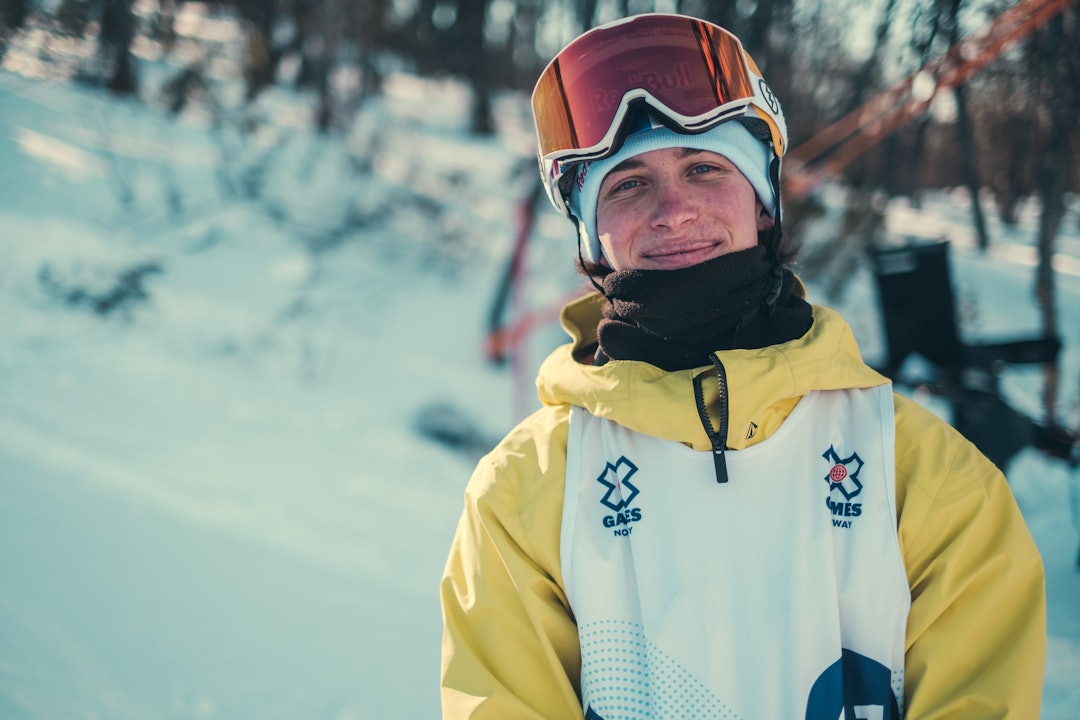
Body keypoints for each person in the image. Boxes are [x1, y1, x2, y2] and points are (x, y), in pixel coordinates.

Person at [440, 13, 1046, 719]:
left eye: (704, 168)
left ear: (764, 204)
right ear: (592, 234)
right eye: (627, 184)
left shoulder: (925, 477)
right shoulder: (523, 492)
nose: (673, 210)